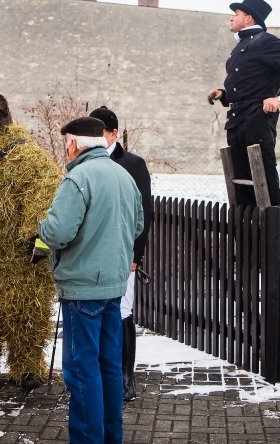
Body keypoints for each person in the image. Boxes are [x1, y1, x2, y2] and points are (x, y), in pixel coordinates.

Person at [38, 117, 143, 444]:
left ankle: (88, 439)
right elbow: (138, 226)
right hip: (114, 285)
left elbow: (57, 232)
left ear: (74, 144)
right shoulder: (124, 176)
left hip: (83, 287)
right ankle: (110, 437)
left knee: (82, 370)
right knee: (109, 366)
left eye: (66, 143)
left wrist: (42, 228)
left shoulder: (78, 178)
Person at [207, 0, 280, 206]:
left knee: (264, 176)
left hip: (257, 118)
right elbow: (248, 84)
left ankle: (274, 224)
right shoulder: (240, 46)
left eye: (236, 14)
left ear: (249, 18)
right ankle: (245, 223)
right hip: (236, 119)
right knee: (241, 179)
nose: (231, 18)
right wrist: (223, 94)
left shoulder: (265, 41)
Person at [89, 106, 153, 402]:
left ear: (113, 134)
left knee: (122, 311)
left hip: (122, 254)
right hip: (91, 254)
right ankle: (98, 374)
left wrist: (135, 256)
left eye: (98, 131)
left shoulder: (133, 164)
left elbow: (144, 214)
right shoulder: (83, 162)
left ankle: (126, 377)